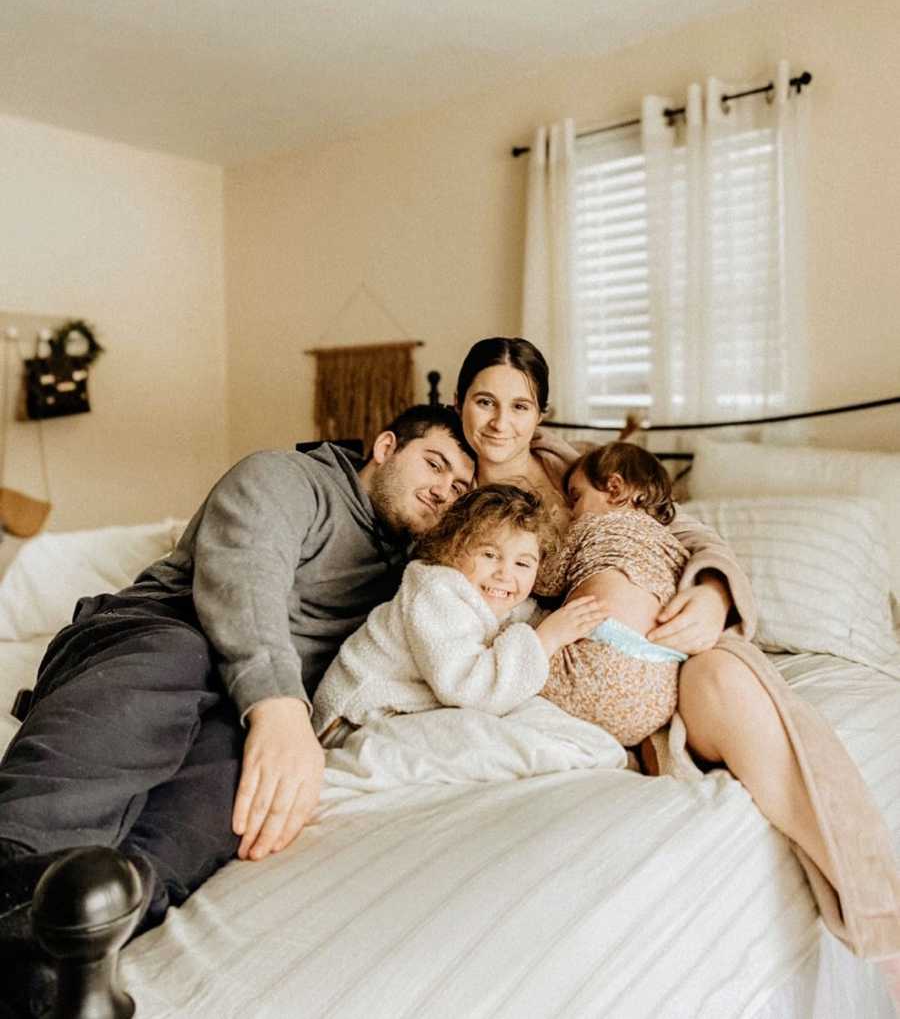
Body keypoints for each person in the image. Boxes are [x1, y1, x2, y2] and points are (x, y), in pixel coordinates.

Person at [0, 404, 475, 1014]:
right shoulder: (286, 477)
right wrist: (280, 708)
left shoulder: (415, 570)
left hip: (242, 706)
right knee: (168, 668)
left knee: (234, 797)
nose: (443, 490)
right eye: (433, 464)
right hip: (157, 631)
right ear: (385, 447)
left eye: (460, 487)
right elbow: (242, 574)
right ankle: (16, 865)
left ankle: (64, 956)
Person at [454, 336, 900, 963]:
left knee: (726, 674)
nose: (501, 423)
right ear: (458, 402)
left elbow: (686, 531)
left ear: (542, 414)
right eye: (484, 402)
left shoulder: (580, 472)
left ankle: (882, 922)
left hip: (665, 657)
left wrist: (714, 593)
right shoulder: (444, 477)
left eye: (520, 406)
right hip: (551, 670)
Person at [313, 484, 603, 743]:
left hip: (399, 714)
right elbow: (469, 688)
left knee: (541, 719)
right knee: (497, 740)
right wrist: (545, 640)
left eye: (523, 565)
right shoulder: (436, 592)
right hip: (352, 721)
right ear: (452, 549)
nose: (505, 574)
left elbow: (538, 618)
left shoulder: (500, 601)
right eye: (489, 555)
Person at [537, 442, 691, 746]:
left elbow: (544, 581)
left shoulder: (590, 524)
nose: (571, 509)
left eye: (576, 497)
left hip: (595, 669)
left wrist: (549, 532)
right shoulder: (675, 546)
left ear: (614, 487)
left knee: (511, 642)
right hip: (658, 694)